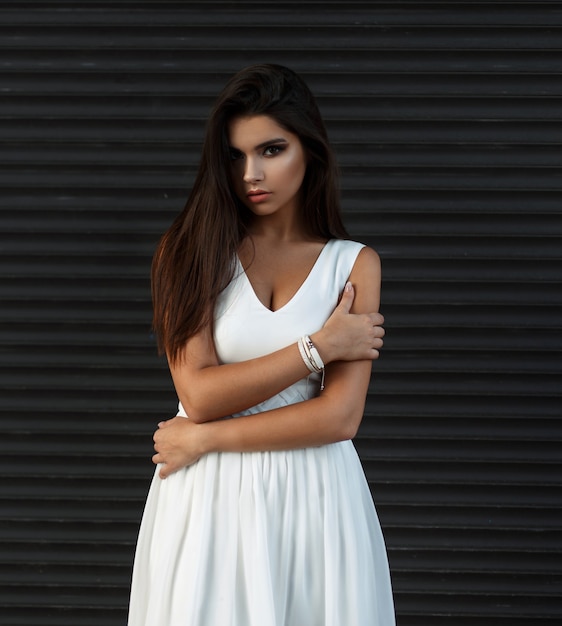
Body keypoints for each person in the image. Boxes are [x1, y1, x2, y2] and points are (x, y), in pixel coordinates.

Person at [127, 63, 395, 625]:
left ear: (309, 150)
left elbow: (340, 418)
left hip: (316, 495)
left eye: (272, 150)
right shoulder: (187, 251)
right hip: (208, 500)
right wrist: (319, 347)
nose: (251, 173)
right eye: (235, 155)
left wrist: (204, 442)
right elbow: (197, 394)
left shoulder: (353, 264)